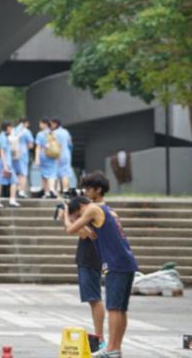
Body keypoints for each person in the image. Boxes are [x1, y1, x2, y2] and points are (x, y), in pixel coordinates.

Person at [63, 188, 139, 358]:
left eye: (78, 215)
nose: (80, 220)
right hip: (124, 262)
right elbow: (89, 235)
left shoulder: (91, 209)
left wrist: (66, 215)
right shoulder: (106, 211)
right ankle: (115, 348)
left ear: (81, 206)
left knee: (114, 308)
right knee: (120, 309)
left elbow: (71, 229)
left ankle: (111, 348)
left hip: (116, 264)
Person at [69, 171, 110, 352]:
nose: (85, 192)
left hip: (91, 257)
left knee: (94, 298)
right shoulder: (94, 209)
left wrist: (67, 213)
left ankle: (100, 337)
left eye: (88, 188)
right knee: (93, 299)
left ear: (98, 190)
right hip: (88, 257)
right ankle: (99, 336)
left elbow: (78, 231)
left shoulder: (94, 210)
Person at [0, 121, 20, 208]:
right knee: (13, 181)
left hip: (4, 163)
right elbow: (2, 152)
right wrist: (5, 166)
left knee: (0, 181)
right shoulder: (3, 137)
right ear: (7, 127)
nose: (12, 129)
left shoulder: (2, 136)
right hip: (5, 163)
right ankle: (11, 200)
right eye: (11, 127)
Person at [36, 119, 60, 198]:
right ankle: (52, 189)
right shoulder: (54, 134)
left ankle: (46, 192)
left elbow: (38, 147)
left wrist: (37, 158)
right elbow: (58, 146)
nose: (40, 125)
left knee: (44, 174)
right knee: (52, 174)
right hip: (52, 156)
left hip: (43, 155)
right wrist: (57, 156)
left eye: (41, 123)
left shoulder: (40, 134)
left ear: (45, 124)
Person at [13, 117, 35, 198]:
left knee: (16, 173)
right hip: (23, 154)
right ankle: (21, 191)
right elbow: (31, 145)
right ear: (26, 123)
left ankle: (15, 190)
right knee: (23, 173)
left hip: (13, 154)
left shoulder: (14, 130)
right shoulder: (26, 131)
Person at [53, 119, 75, 192]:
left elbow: (55, 145)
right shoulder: (66, 131)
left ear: (55, 124)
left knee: (56, 174)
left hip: (57, 155)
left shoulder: (54, 133)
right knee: (65, 174)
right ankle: (66, 190)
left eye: (52, 124)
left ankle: (57, 191)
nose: (51, 125)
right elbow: (70, 143)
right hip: (66, 155)